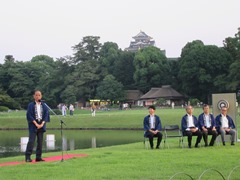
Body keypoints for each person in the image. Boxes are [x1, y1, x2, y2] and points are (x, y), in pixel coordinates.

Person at [25, 90, 50, 162]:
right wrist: (36, 124)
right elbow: (29, 115)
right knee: (31, 141)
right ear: (34, 96)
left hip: (41, 124)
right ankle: (28, 157)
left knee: (40, 141)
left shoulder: (44, 105)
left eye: (39, 95)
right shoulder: (31, 105)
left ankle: (38, 157)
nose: (38, 96)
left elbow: (46, 115)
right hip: (33, 125)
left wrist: (42, 124)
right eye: (36, 95)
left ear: (41, 96)